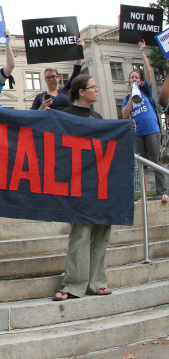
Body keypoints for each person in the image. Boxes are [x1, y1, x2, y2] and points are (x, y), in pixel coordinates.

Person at [53, 75, 113, 300]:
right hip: (78, 183)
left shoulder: (97, 116)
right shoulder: (65, 115)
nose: (97, 90)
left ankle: (97, 282)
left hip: (101, 183)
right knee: (81, 234)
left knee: (101, 234)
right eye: (93, 87)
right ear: (80, 91)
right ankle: (74, 285)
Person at [122, 40, 167, 202]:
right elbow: (125, 114)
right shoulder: (128, 97)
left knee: (156, 161)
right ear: (129, 82)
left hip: (152, 131)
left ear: (140, 81)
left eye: (136, 77)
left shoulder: (145, 90)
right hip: (138, 134)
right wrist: (131, 98)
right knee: (142, 164)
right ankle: (144, 195)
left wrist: (142, 52)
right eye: (131, 77)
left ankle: (163, 192)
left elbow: (148, 72)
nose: (134, 79)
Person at [31, 38, 85, 110]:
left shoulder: (66, 91)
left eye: (53, 77)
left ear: (58, 78)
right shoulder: (40, 97)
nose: (51, 80)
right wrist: (42, 107)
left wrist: (79, 49)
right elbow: (32, 116)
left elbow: (76, 72)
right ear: (45, 80)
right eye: (48, 77)